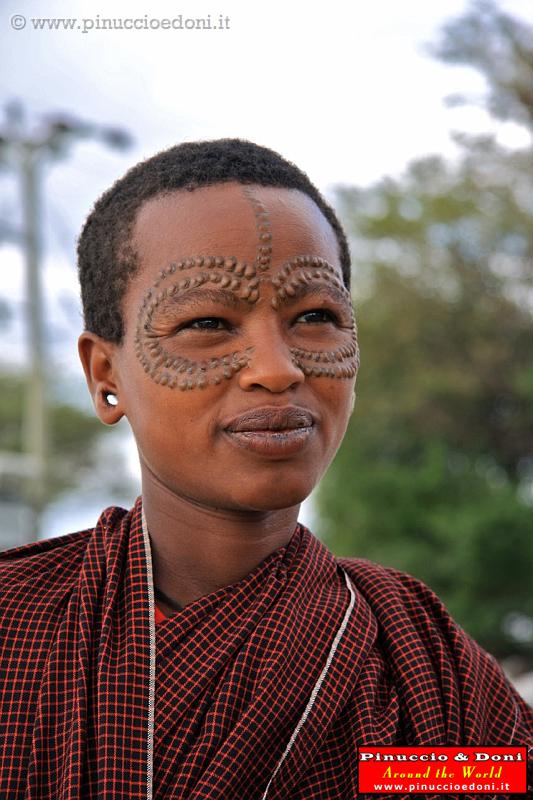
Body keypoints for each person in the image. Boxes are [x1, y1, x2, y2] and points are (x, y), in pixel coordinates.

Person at [0, 139, 531, 800]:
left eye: (315, 316)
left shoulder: (419, 663)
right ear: (105, 374)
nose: (278, 368)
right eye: (207, 322)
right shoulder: (16, 627)